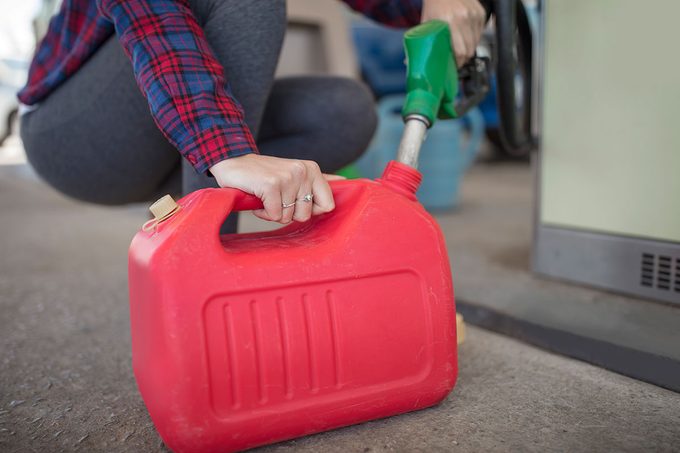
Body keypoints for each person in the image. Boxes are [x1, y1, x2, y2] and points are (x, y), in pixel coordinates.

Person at [18, 0, 487, 230]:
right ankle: (207, 272)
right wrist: (227, 149)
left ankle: (206, 192)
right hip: (73, 136)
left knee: (344, 112)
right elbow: (153, 17)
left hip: (165, 134)